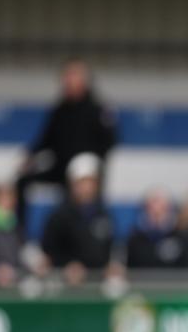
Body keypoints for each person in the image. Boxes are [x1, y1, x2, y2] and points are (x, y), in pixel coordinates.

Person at [17, 59, 118, 226]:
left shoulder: (98, 109)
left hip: (86, 173)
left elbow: (110, 142)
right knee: (23, 180)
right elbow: (46, 140)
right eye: (66, 76)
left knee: (80, 194)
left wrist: (90, 169)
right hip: (60, 169)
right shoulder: (60, 110)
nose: (69, 80)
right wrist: (30, 156)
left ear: (85, 80)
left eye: (73, 75)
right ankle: (19, 231)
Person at [40, 153, 118, 286]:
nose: (87, 187)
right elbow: (48, 253)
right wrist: (66, 266)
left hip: (98, 283)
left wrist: (110, 266)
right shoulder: (59, 216)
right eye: (82, 182)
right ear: (72, 184)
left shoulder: (104, 215)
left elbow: (108, 249)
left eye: (91, 182)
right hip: (64, 283)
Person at [126, 190, 184, 270]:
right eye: (151, 209)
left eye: (162, 209)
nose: (156, 211)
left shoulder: (179, 237)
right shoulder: (135, 238)